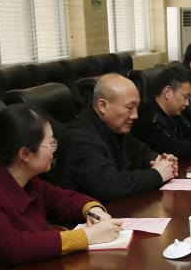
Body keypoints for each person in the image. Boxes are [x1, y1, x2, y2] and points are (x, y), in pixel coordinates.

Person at [0, 105, 123, 270]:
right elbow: (13, 246)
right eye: (51, 144)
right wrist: (86, 236)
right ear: (24, 154)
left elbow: (61, 199)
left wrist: (94, 211)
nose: (54, 150)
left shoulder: (24, 175)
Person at [59, 73, 178, 202]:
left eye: (137, 107)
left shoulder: (115, 126)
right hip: (89, 212)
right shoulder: (80, 137)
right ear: (103, 106)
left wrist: (162, 161)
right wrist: (157, 174)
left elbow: (141, 153)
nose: (135, 115)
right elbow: (109, 185)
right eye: (129, 108)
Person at [133, 65, 191, 159]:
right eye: (185, 97)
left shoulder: (175, 112)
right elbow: (173, 148)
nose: (187, 103)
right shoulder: (147, 118)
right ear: (167, 92)